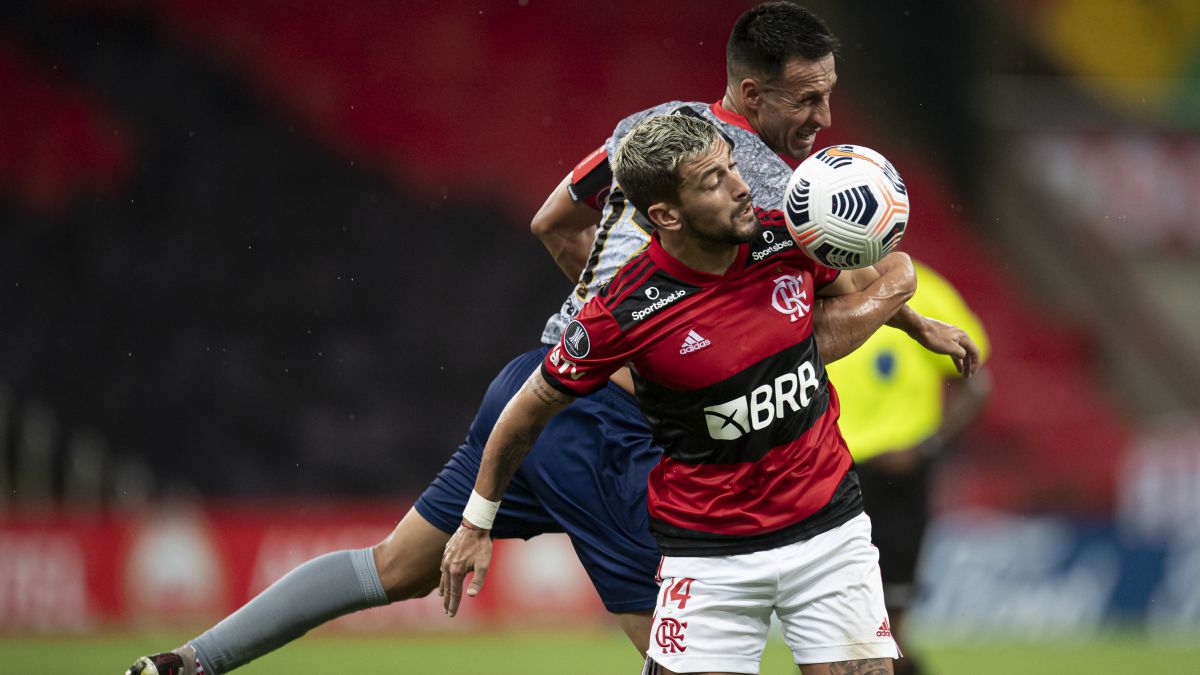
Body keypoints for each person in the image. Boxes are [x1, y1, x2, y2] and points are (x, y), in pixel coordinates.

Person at [125, 4, 949, 674]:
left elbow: (554, 217)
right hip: (610, 432)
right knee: (676, 640)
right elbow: (814, 314)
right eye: (807, 100)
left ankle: (189, 662)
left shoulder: (652, 131)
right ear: (753, 92)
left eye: (829, 96)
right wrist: (651, 338)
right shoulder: (766, 189)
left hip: (544, 382)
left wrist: (611, 317)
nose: (823, 119)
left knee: (393, 567)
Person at [439, 114, 981, 675]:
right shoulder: (622, 312)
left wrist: (920, 326)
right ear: (666, 215)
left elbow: (849, 289)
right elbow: (526, 412)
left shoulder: (783, 238)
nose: (741, 186)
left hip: (827, 530)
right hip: (711, 554)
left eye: (731, 167)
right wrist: (478, 523)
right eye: (713, 182)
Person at [826, 260, 991, 675]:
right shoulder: (813, 286)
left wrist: (928, 448)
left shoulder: (925, 289)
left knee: (891, 625)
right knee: (830, 629)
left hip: (899, 478)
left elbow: (977, 383)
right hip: (828, 473)